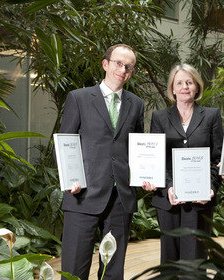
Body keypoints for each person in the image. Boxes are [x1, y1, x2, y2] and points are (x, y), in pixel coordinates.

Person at [58, 44, 144, 280]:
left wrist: (145, 175)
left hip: (120, 199)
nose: (123, 69)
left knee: (113, 272)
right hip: (82, 194)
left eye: (129, 66)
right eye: (118, 63)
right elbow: (67, 142)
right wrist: (70, 178)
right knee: (74, 270)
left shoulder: (136, 104)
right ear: (105, 64)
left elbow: (137, 148)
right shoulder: (79, 98)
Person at [142, 64, 223, 266]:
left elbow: (217, 158)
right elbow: (156, 158)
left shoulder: (211, 115)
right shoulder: (160, 117)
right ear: (172, 88)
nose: (185, 86)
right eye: (179, 82)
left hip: (200, 200)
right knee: (169, 259)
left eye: (189, 82)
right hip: (168, 200)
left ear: (196, 87)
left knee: (195, 260)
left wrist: (211, 188)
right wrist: (168, 185)